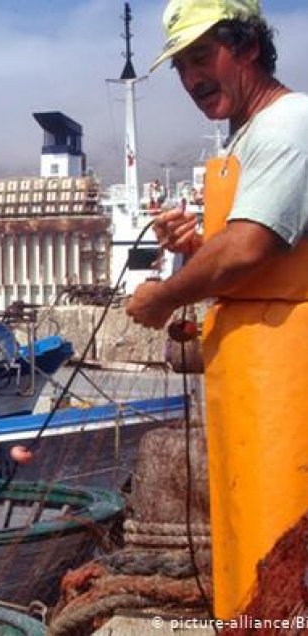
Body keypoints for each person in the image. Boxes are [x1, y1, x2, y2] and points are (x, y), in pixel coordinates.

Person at [125, 0, 308, 618]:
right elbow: (255, 251)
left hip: (288, 376)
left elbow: (252, 245)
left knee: (282, 541)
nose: (191, 78)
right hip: (250, 375)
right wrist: (198, 246)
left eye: (202, 56)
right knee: (248, 542)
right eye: (181, 65)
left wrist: (163, 295)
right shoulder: (248, 136)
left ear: (250, 46)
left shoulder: (289, 124)